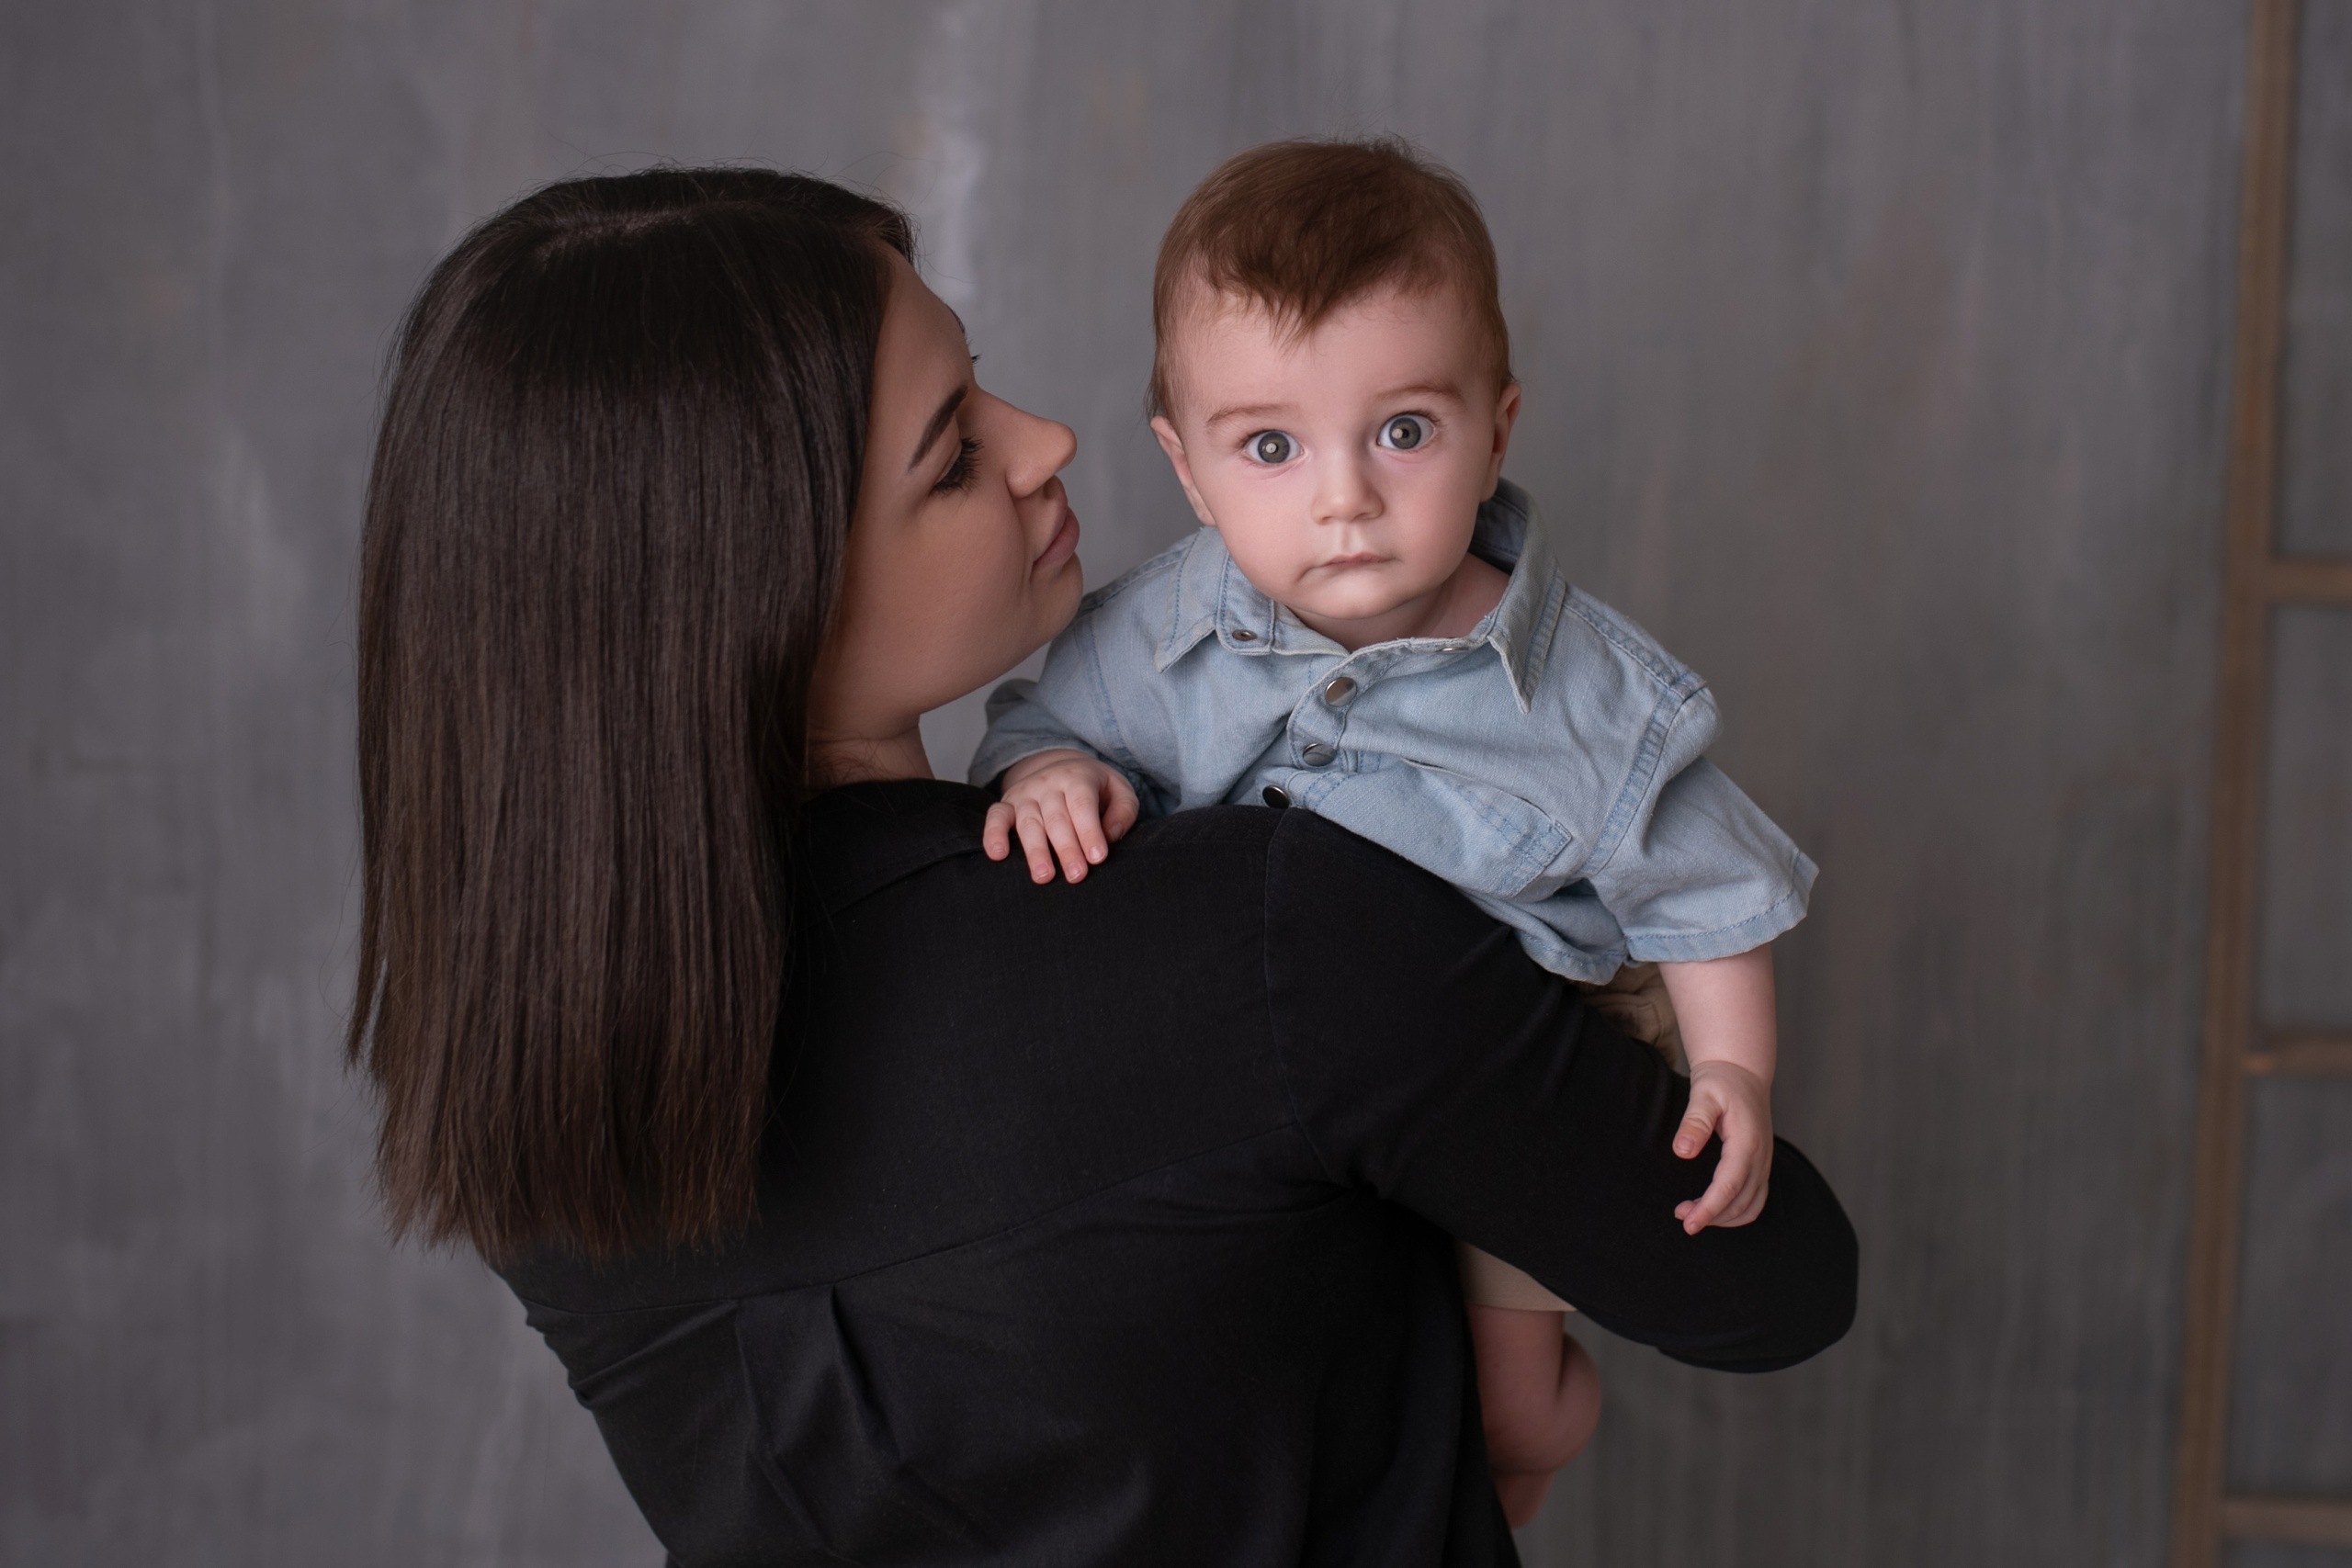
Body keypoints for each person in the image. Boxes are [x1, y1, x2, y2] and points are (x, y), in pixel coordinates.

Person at [348, 165, 1856, 1567]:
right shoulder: (1269, 935)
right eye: (955, 452)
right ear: (755, 594)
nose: (1045, 441)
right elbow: (1774, 1285)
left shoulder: (520, 1102)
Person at [974, 137, 1819, 1523]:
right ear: (1187, 470)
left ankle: (1539, 1431)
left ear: (1498, 424)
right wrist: (1047, 775)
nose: (1345, 497)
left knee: (1500, 1414)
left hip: (1518, 1064)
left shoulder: (1594, 696)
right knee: (1305, 1378)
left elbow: (1707, 897)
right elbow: (1032, 732)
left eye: (1405, 432)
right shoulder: (1153, 636)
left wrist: (1737, 1075)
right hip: (1271, 1110)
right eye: (1270, 446)